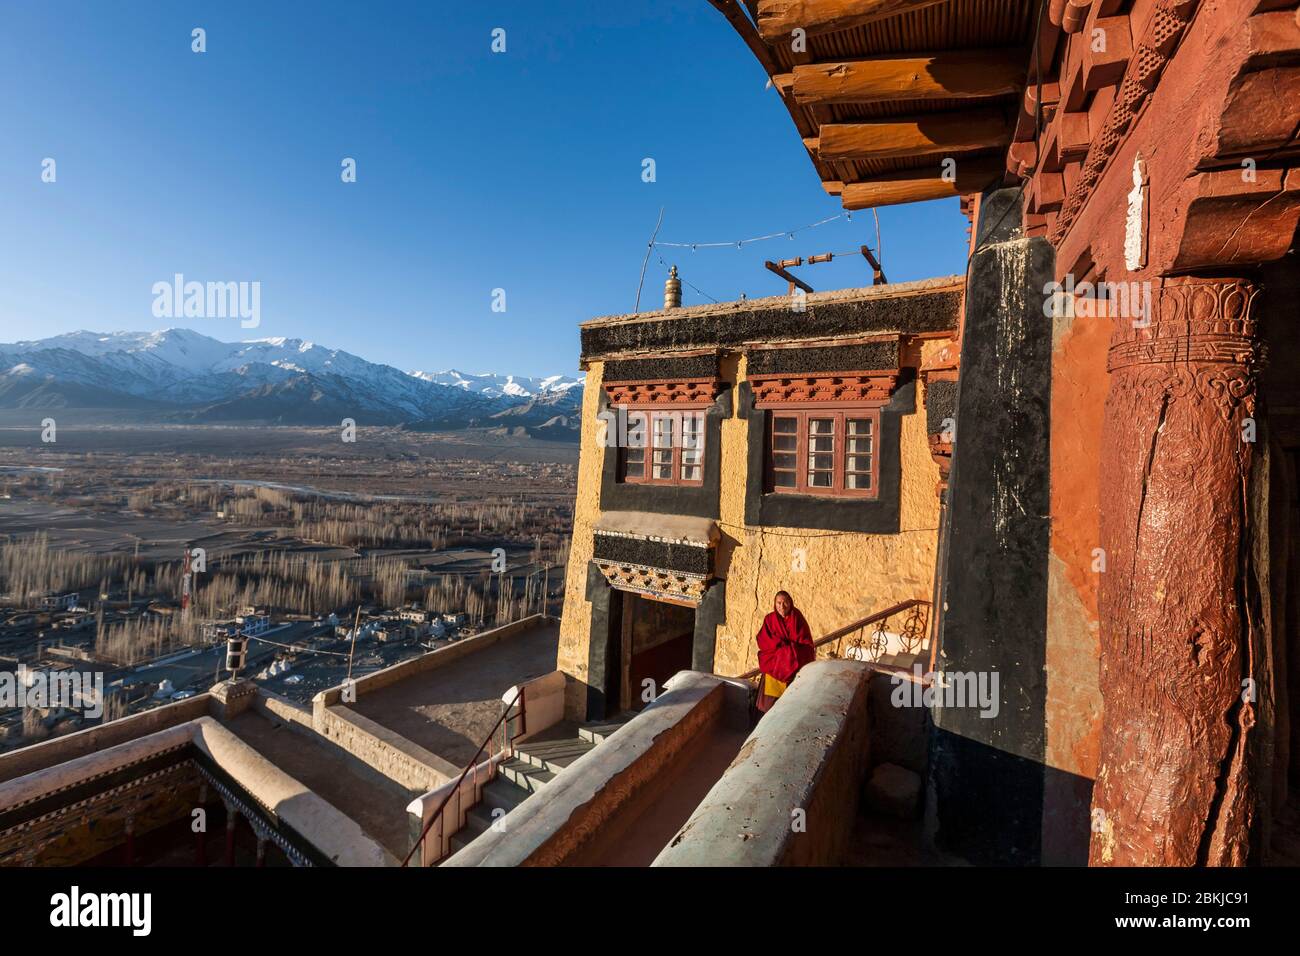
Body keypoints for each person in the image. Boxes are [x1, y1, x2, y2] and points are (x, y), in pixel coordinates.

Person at [754, 590, 814, 714]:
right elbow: (763, 641)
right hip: (773, 669)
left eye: (785, 603)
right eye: (779, 603)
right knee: (768, 707)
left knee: (788, 708)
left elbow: (806, 645)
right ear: (774, 604)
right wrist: (782, 650)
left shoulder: (797, 619)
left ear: (790, 603)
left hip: (792, 669)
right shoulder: (770, 619)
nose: (782, 607)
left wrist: (788, 652)